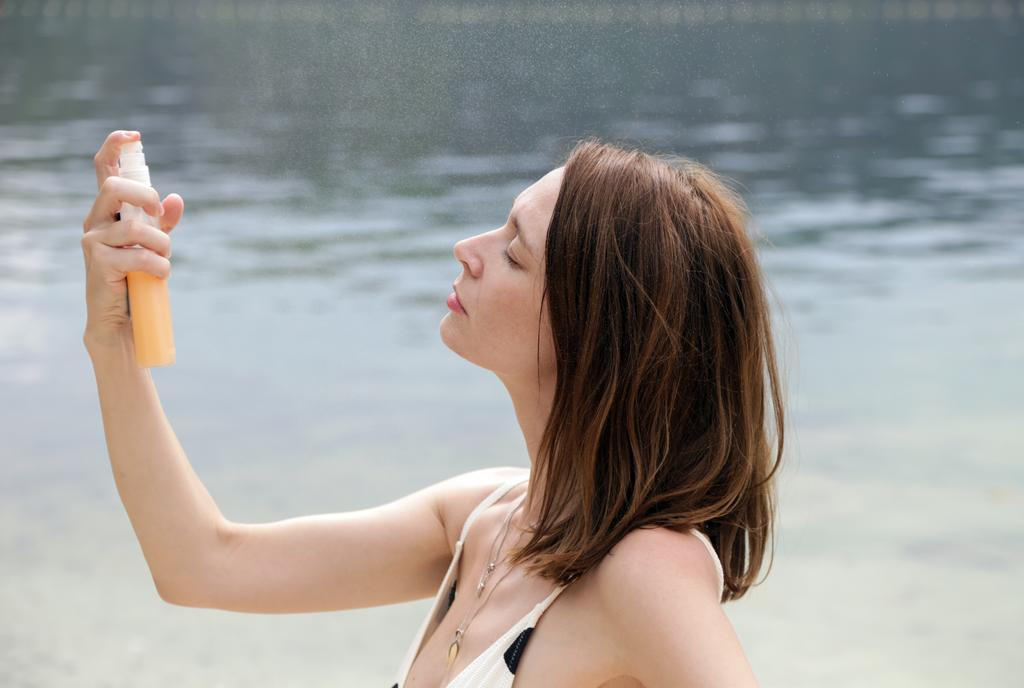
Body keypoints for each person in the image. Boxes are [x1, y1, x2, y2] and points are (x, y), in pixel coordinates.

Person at [82, 131, 784, 687]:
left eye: (514, 251)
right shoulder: (486, 518)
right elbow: (202, 565)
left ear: (594, 329)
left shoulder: (646, 568)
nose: (469, 251)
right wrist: (111, 340)